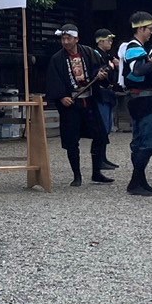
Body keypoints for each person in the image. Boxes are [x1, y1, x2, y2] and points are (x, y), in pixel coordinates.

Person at [45, 25, 112, 186]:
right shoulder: (57, 59)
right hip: (71, 103)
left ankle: (96, 172)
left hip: (89, 100)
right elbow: (54, 80)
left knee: (100, 135)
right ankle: (77, 175)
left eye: (68, 38)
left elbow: (102, 67)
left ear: (76, 39)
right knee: (72, 140)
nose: (65, 41)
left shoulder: (89, 52)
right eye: (63, 38)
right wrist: (62, 96)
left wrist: (101, 74)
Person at [122, 12, 152, 196]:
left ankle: (140, 180)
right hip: (142, 100)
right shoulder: (133, 47)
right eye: (149, 29)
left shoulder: (140, 48)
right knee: (148, 143)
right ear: (140, 29)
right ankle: (135, 181)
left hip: (143, 99)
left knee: (140, 142)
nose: (151, 32)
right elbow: (138, 71)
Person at [92, 29, 120, 170]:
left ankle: (103, 157)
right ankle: (98, 160)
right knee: (101, 127)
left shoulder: (108, 55)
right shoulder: (95, 55)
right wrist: (109, 67)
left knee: (107, 126)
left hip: (108, 92)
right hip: (100, 93)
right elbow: (95, 72)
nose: (111, 42)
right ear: (101, 41)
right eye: (108, 40)